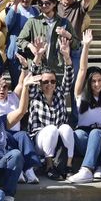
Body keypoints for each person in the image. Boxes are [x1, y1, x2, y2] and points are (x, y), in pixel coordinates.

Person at [25, 37, 76, 181]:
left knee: (66, 128)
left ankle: (68, 166)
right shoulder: (35, 94)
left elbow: (69, 78)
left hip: (57, 139)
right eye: (45, 82)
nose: (49, 84)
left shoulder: (59, 93)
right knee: (52, 129)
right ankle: (49, 166)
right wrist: (38, 56)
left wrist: (66, 57)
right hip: (39, 140)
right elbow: (33, 75)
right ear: (40, 84)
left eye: (53, 81)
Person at [68, 31, 101, 184]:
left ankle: (87, 169)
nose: (97, 84)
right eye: (93, 81)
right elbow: (82, 70)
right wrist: (86, 46)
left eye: (100, 80)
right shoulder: (80, 95)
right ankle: (98, 166)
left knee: (95, 133)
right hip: (84, 134)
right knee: (77, 135)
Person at [15, 0, 73, 74]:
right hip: (37, 68)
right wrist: (30, 46)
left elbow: (77, 44)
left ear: (54, 3)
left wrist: (68, 36)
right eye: (40, 4)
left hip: (57, 69)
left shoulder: (64, 22)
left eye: (47, 3)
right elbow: (20, 40)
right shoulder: (33, 22)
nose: (44, 6)